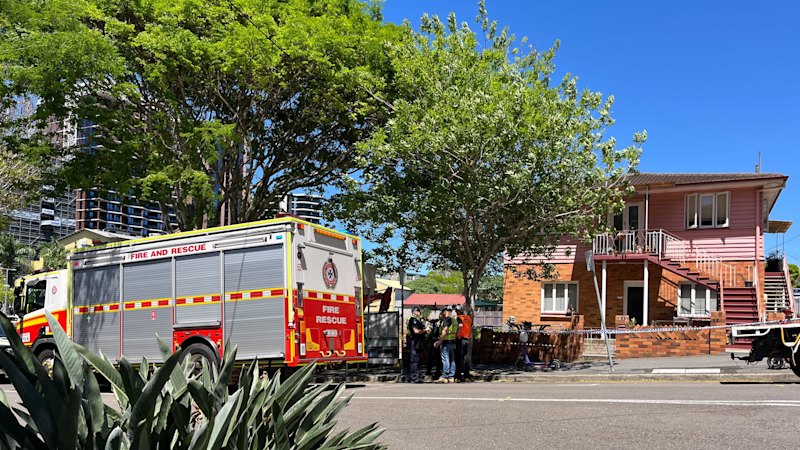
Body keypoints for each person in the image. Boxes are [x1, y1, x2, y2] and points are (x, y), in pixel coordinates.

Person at [434, 307, 458, 383]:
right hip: (452, 341)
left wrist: (439, 342)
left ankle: (445, 376)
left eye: (441, 312)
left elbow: (445, 331)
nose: (440, 314)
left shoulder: (447, 320)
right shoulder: (454, 320)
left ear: (445, 312)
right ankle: (451, 376)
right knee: (452, 360)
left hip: (446, 342)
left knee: (446, 359)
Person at [406, 307, 426, 383]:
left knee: (417, 359)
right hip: (414, 341)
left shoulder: (417, 320)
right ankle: (413, 377)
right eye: (418, 311)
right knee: (414, 360)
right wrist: (424, 330)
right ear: (414, 312)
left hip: (418, 342)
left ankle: (415, 376)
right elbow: (416, 331)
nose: (420, 312)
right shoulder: (413, 320)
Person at [455, 305, 472, 382]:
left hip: (461, 339)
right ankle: (466, 375)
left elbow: (460, 326)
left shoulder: (459, 318)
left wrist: (457, 335)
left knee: (459, 357)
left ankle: (458, 375)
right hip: (466, 338)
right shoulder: (468, 318)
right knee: (465, 357)